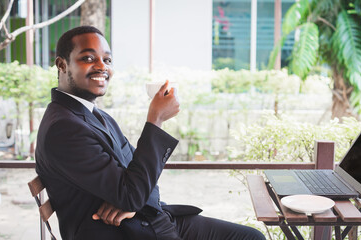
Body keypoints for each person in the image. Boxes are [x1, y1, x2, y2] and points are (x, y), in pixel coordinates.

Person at [35, 26, 266, 240]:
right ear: (62, 65)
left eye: (107, 59)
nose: (102, 66)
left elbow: (143, 178)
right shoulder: (63, 128)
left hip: (147, 219)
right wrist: (155, 120)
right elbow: (136, 188)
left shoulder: (95, 115)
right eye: (88, 58)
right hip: (126, 233)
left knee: (251, 236)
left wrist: (131, 202)